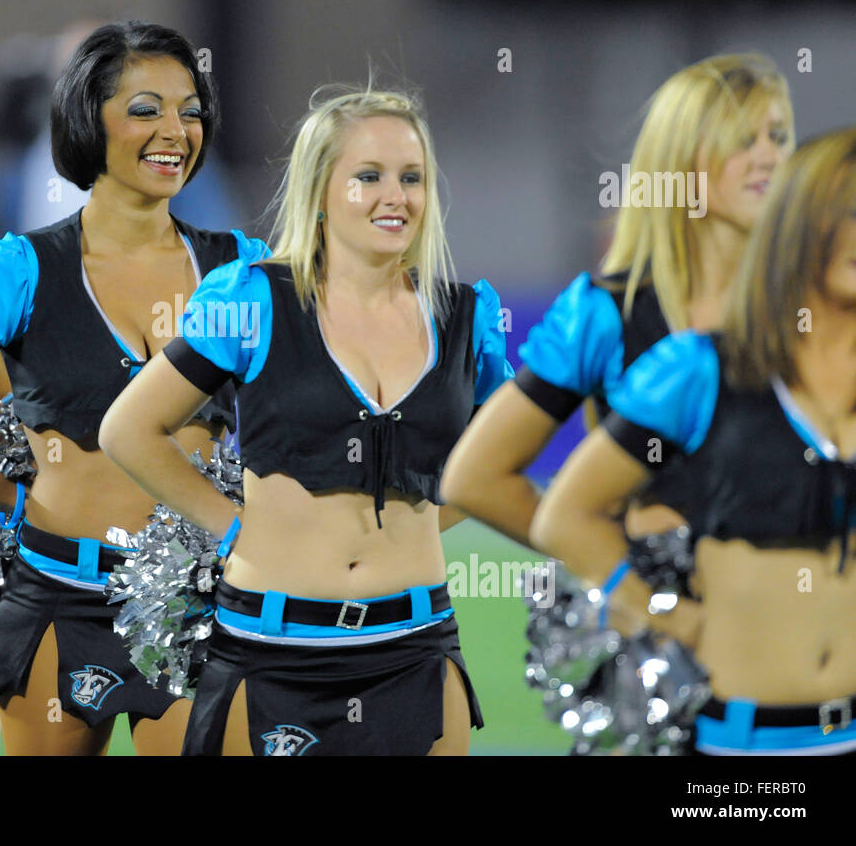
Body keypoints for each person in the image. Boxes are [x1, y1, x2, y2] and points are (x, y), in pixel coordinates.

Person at [0, 21, 269, 756]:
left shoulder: (243, 270)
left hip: (199, 603)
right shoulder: (17, 269)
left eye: (190, 109)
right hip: (56, 598)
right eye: (146, 109)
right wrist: (12, 500)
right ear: (88, 118)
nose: (175, 130)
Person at [99, 86, 512, 755]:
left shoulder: (464, 318)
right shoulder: (253, 299)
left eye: (412, 177)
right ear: (322, 189)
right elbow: (128, 430)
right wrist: (232, 524)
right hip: (270, 650)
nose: (396, 195)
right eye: (369, 176)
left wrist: (419, 526)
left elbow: (503, 460)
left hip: (416, 648)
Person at [533, 127, 856, 756]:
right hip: (739, 753)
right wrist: (661, 611)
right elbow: (566, 515)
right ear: (798, 228)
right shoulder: (701, 369)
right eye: (847, 211)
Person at [441, 54, 794, 547]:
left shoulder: (816, 309)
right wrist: (621, 575)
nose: (770, 157)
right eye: (743, 139)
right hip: (666, 623)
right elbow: (475, 479)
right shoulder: (609, 313)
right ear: (682, 158)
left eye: (778, 137)